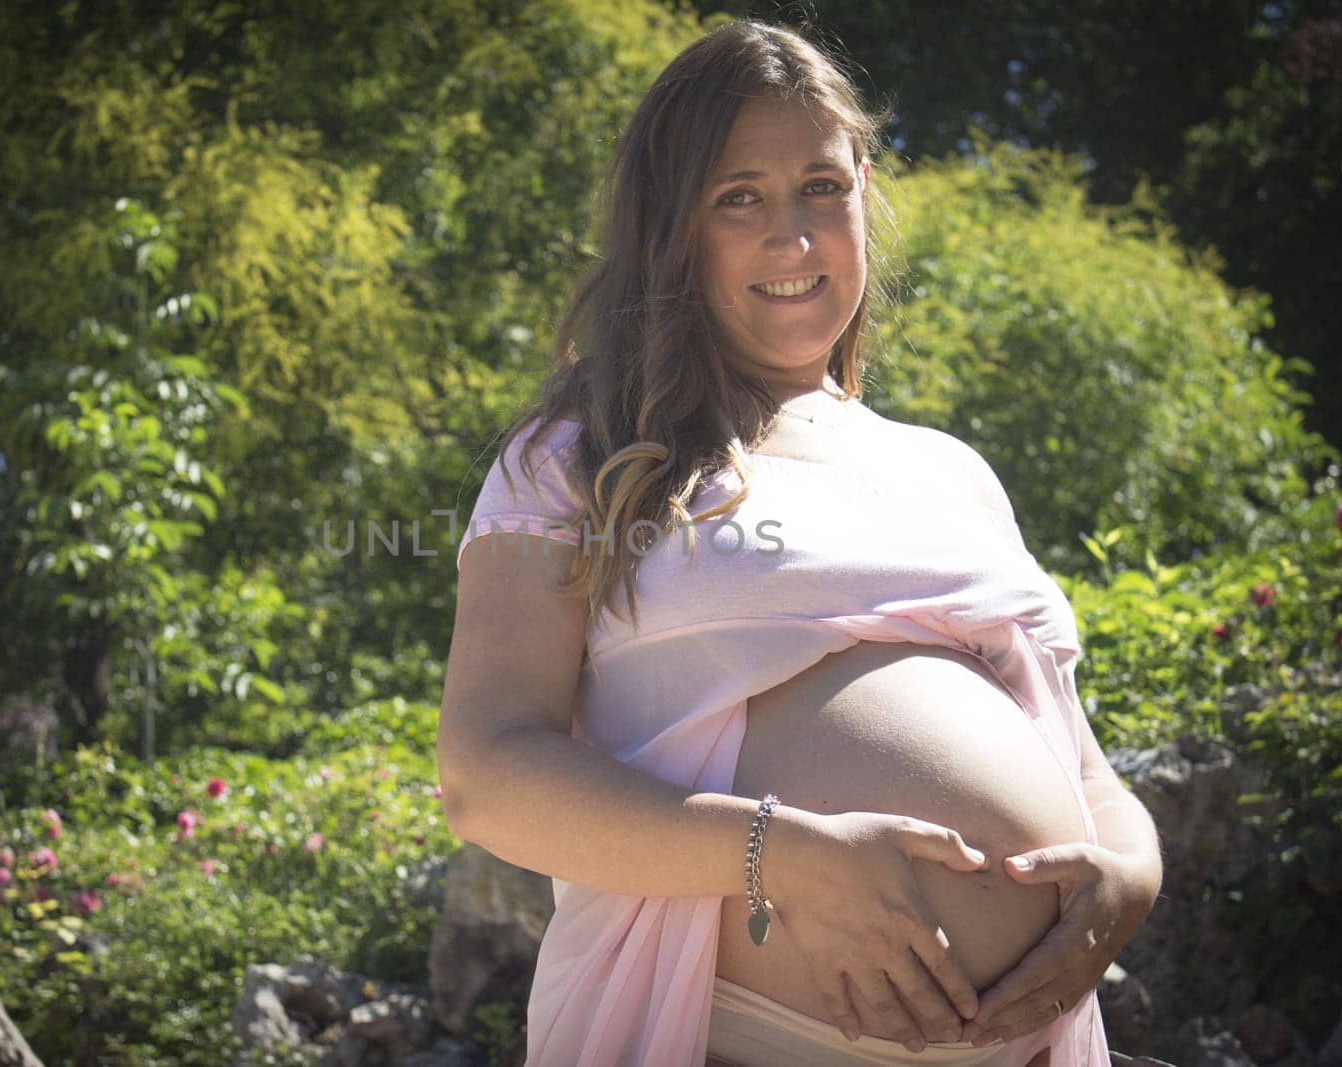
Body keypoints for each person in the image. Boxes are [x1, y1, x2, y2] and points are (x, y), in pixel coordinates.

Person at [437, 17, 1163, 1067]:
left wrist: (1129, 871)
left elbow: (1085, 767)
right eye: (740, 198)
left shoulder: (950, 468)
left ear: (863, 190)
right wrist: (778, 853)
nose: (794, 237)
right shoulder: (579, 455)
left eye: (822, 186)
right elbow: (487, 773)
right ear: (670, 229)